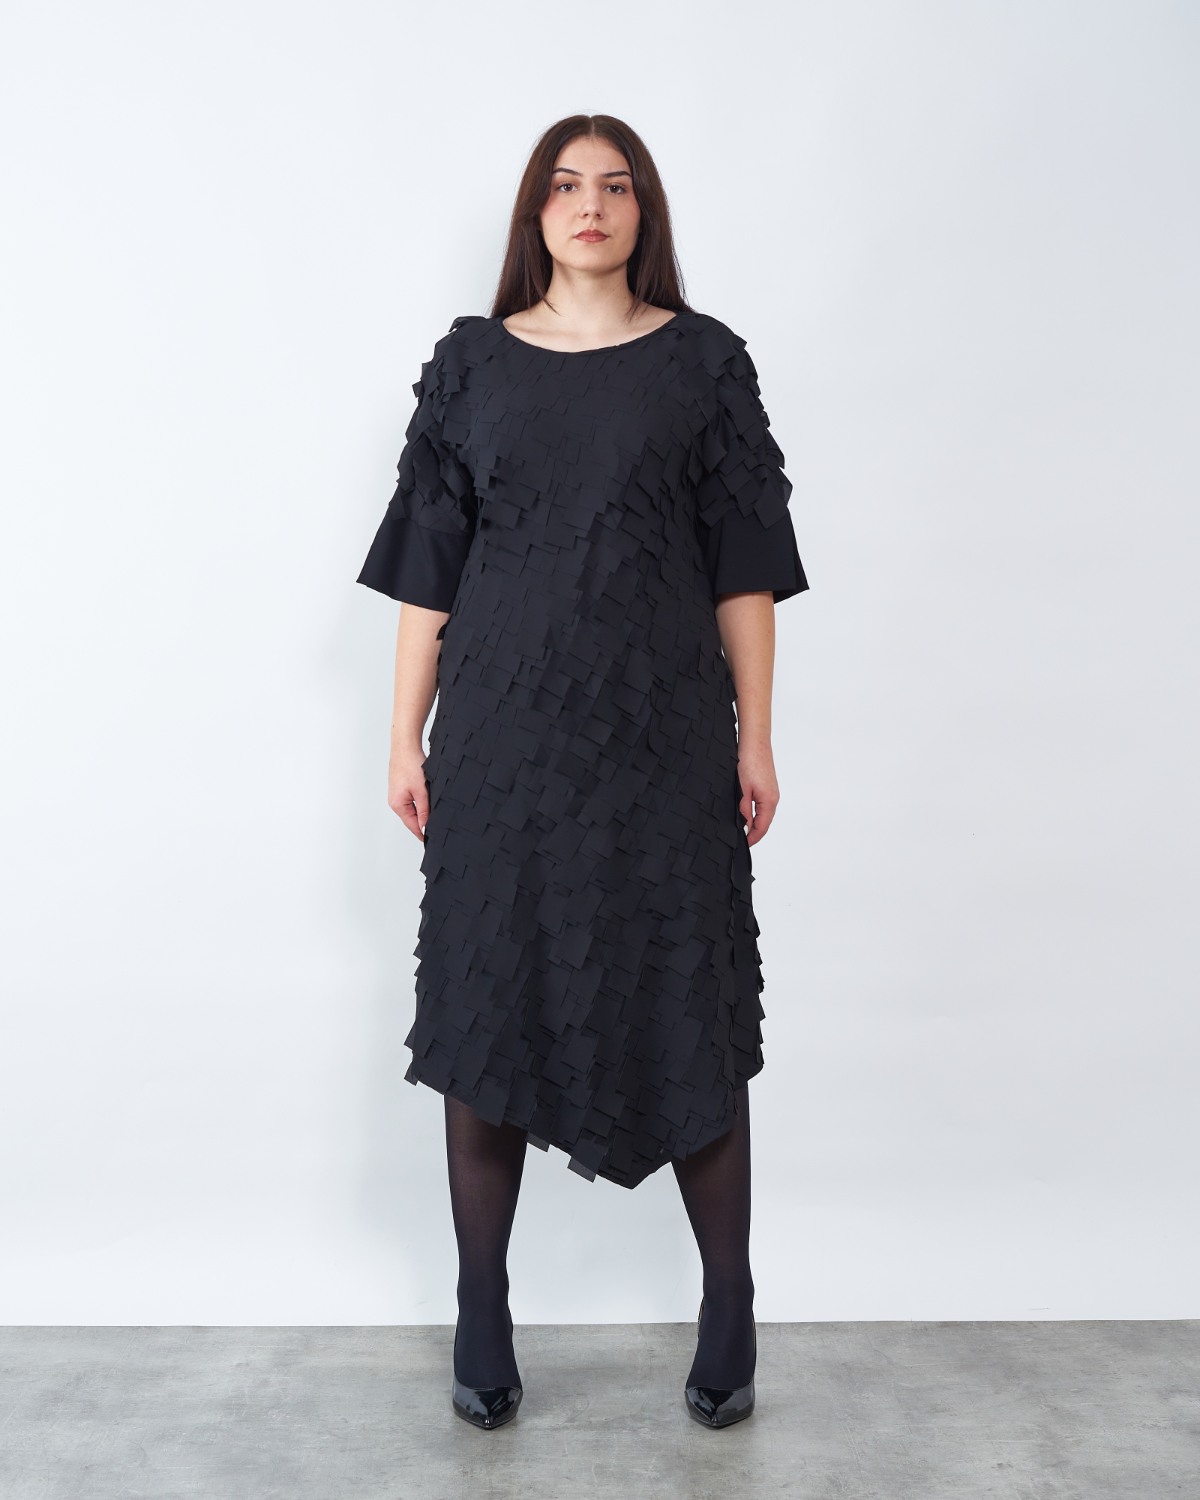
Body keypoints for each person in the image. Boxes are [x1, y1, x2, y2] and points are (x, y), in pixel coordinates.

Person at [356, 114, 809, 1431]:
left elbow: (742, 566)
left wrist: (757, 735)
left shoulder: (704, 364)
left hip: (664, 736)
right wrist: (402, 735)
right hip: (502, 740)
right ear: (535, 214)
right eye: (565, 185)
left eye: (614, 185)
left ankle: (729, 1299)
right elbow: (430, 567)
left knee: (686, 996)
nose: (590, 204)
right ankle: (481, 1307)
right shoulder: (473, 364)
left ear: (643, 210)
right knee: (488, 1003)